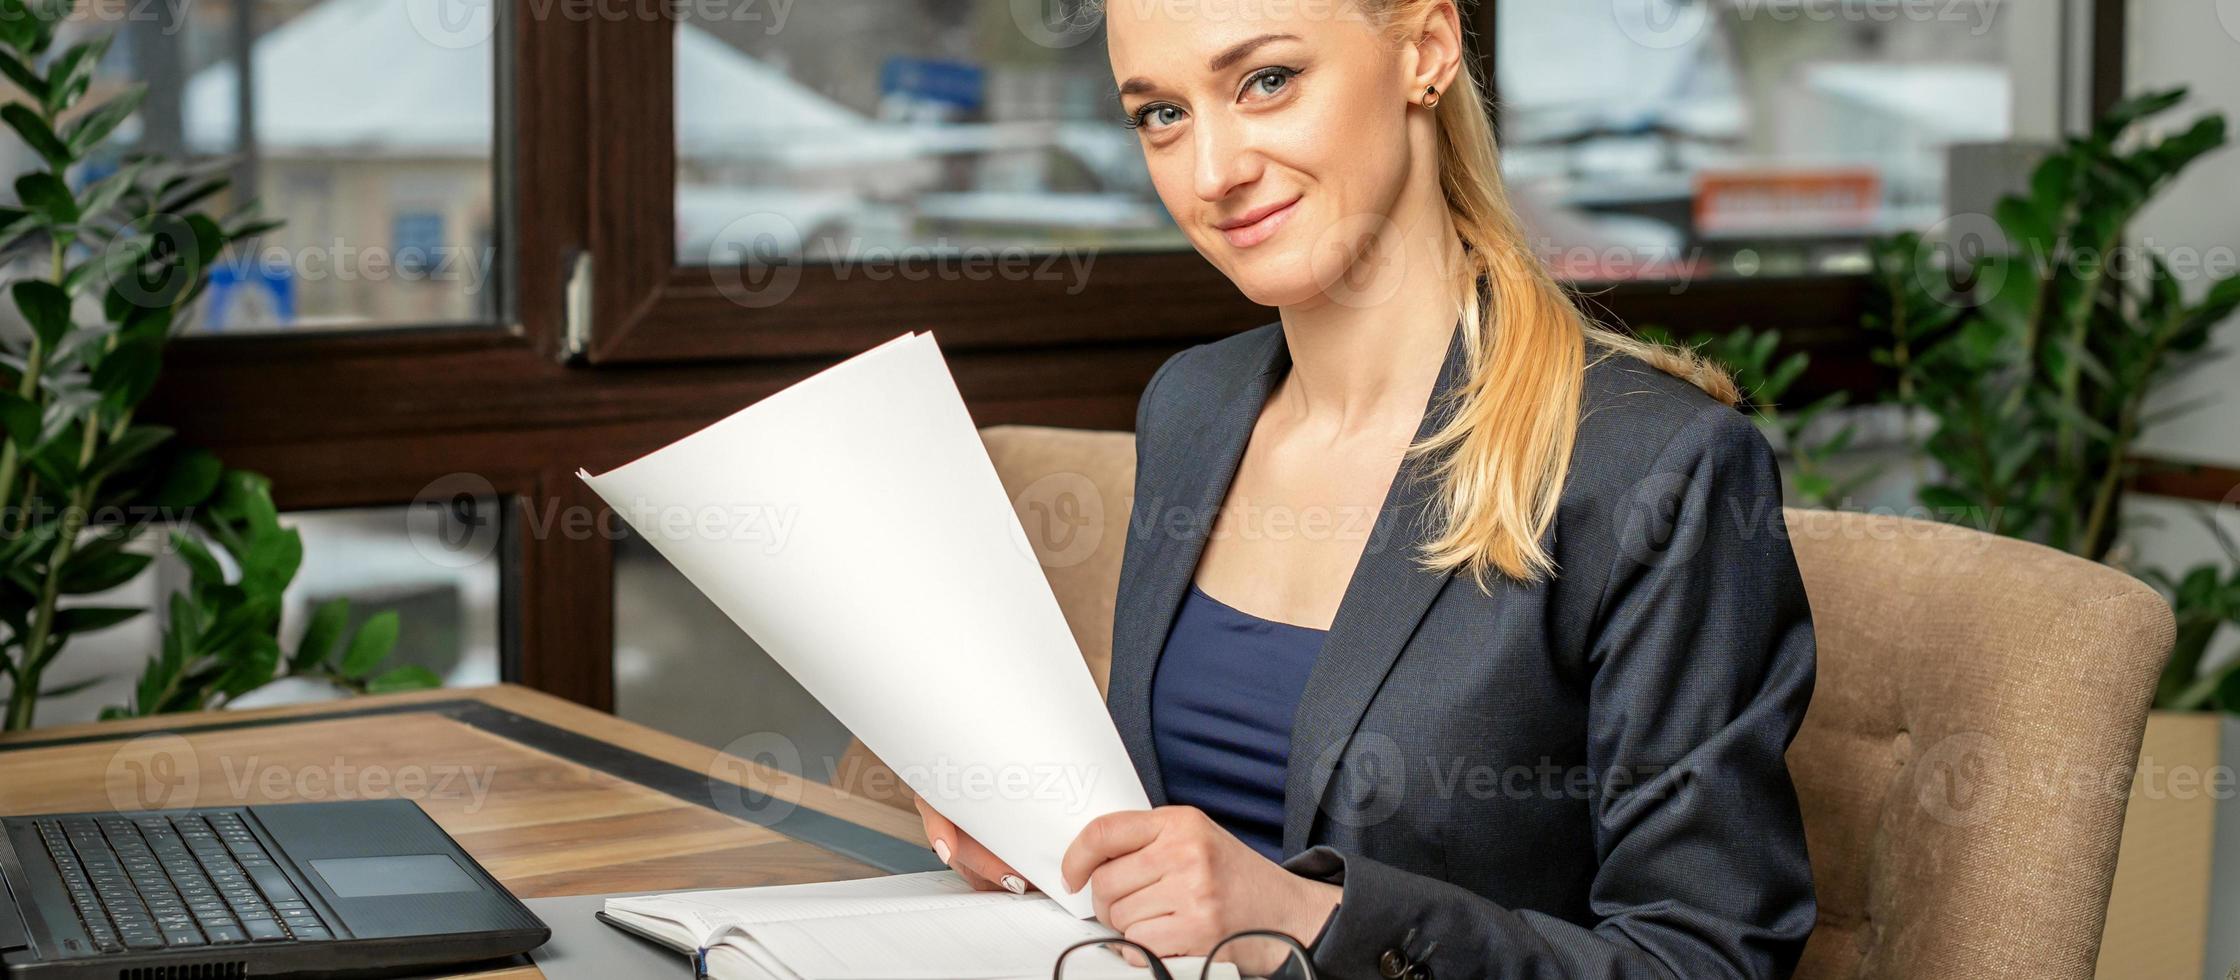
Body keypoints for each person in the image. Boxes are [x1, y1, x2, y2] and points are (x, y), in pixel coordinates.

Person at [917, 1, 1818, 975]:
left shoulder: (1653, 469)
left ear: (1423, 53)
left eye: (1265, 81)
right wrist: (1034, 818)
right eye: (1160, 115)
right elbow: (1183, 824)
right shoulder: (1191, 406)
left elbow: (1705, 958)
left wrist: (1309, 918)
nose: (1212, 172)